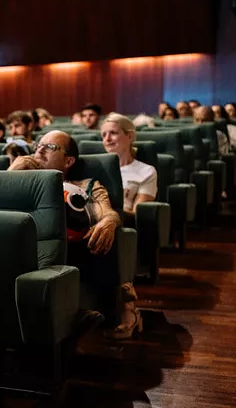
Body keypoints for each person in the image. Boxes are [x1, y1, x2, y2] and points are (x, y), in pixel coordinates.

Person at [11, 131, 140, 339]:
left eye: (50, 147)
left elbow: (106, 212)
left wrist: (108, 221)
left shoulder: (85, 185)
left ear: (69, 160)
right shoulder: (19, 182)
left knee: (103, 235)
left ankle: (99, 310)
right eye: (38, 145)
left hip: (72, 250)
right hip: (26, 250)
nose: (40, 150)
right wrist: (10, 174)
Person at [101, 114, 157, 221]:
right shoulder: (95, 168)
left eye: (113, 133)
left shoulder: (147, 172)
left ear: (130, 136)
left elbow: (137, 215)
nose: (107, 139)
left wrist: (111, 214)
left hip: (121, 224)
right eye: (104, 135)